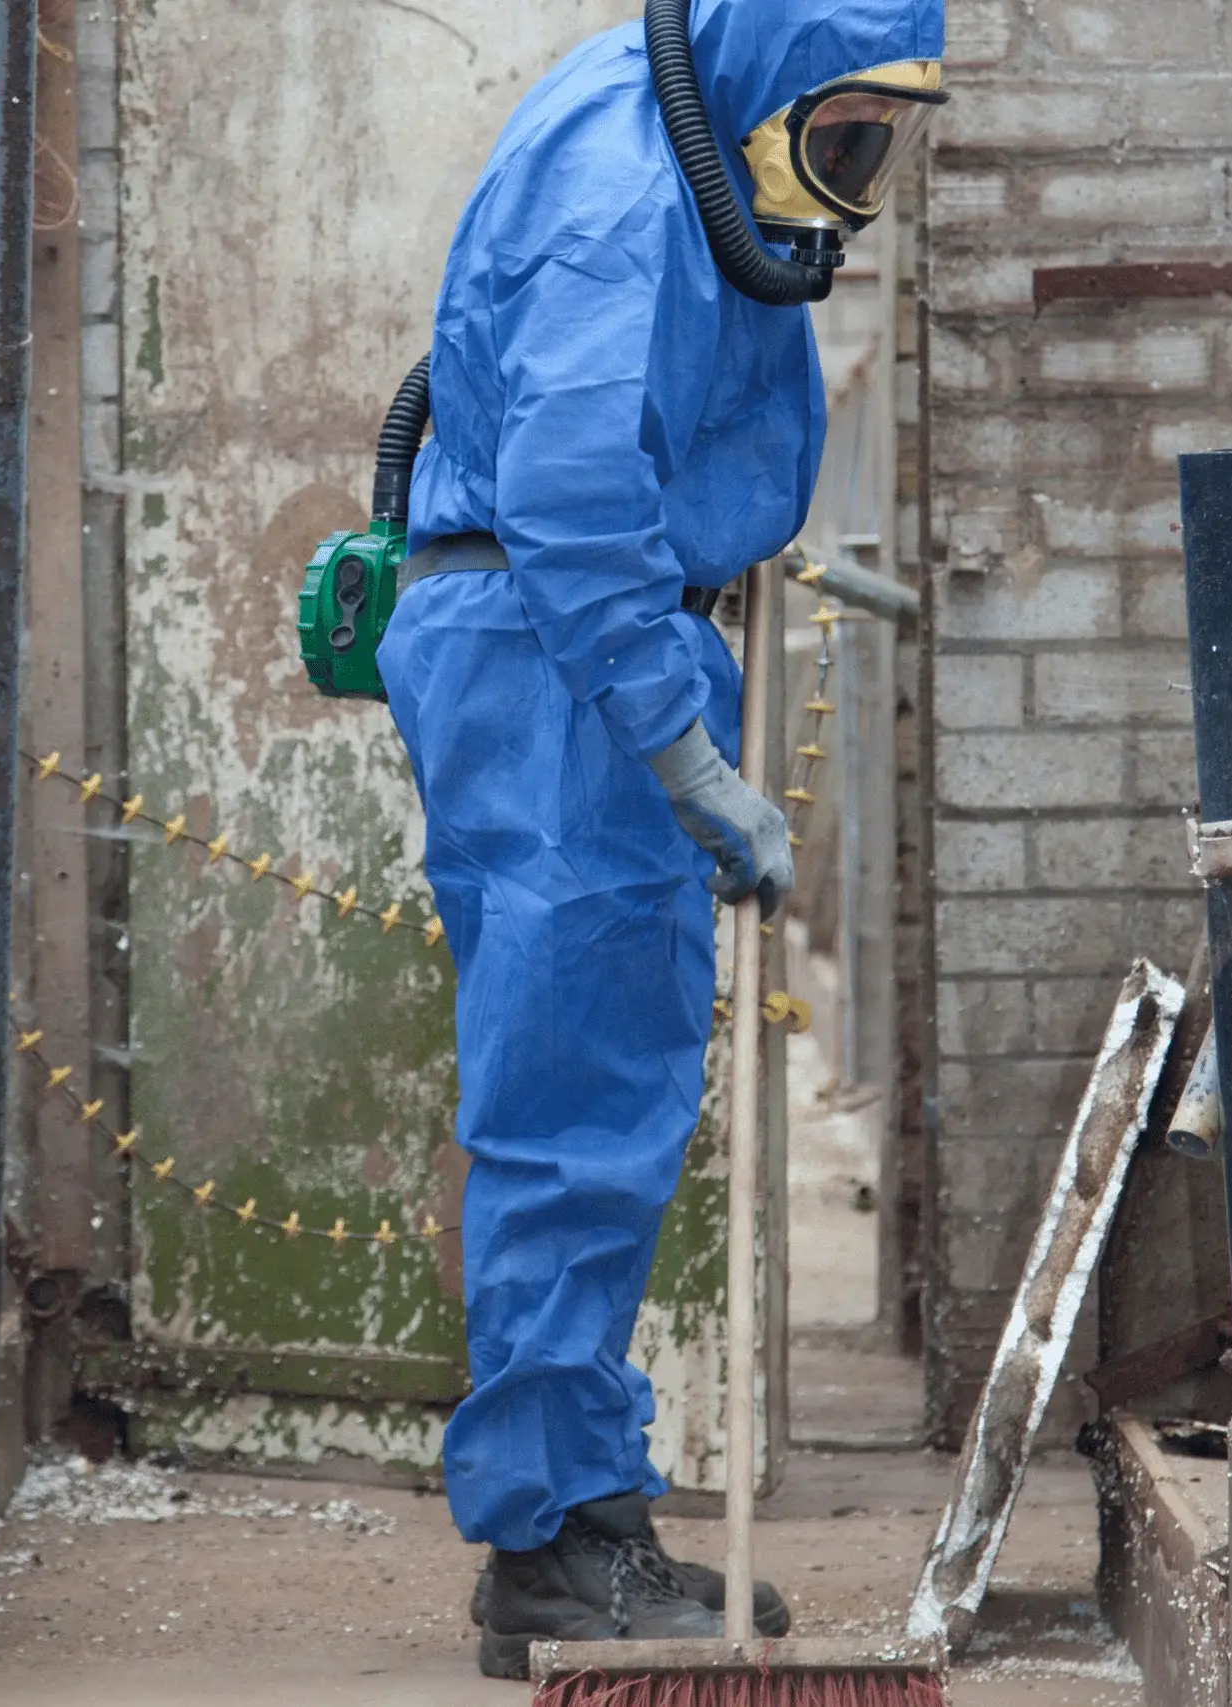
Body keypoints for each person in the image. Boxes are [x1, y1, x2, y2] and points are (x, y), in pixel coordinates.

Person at [374, 0, 945, 1679]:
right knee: (574, 1114)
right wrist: (684, 750)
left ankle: (590, 1507)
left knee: (603, 1104)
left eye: (881, 146)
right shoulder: (630, 186)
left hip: (574, 641)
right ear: (762, 83)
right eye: (839, 139)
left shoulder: (680, 134)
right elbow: (562, 484)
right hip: (567, 655)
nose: (852, 182)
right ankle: (550, 1548)